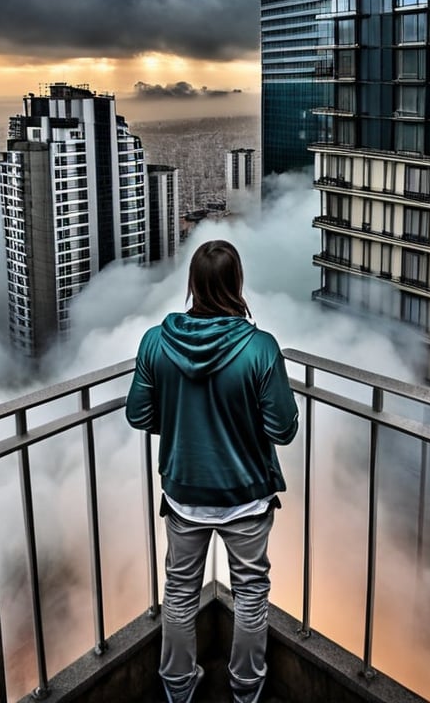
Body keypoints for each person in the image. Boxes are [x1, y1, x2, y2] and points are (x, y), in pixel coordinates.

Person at [126, 239, 299, 703]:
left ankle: (177, 688)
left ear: (193, 285)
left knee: (180, 594)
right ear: (236, 283)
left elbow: (139, 416)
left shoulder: (155, 343)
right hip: (246, 494)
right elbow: (283, 429)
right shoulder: (261, 349)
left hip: (183, 491)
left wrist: (180, 422)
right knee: (249, 593)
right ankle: (246, 689)